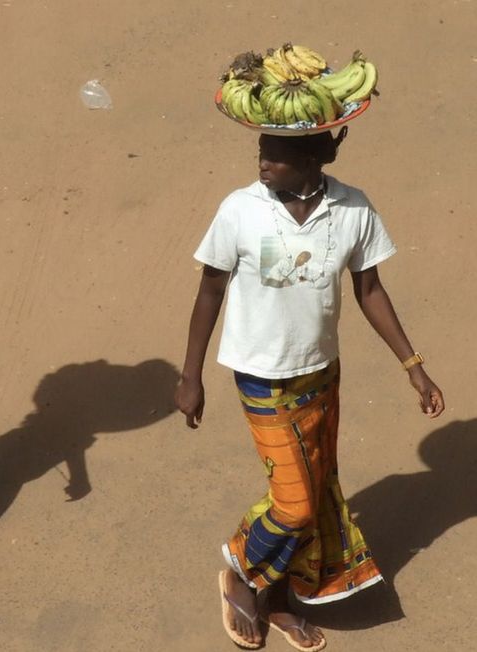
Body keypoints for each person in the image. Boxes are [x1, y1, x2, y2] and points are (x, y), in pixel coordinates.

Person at [174, 128, 444, 650]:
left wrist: (413, 366)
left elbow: (370, 289)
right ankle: (242, 572)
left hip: (320, 372)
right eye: (261, 153)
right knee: (294, 505)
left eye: (277, 156)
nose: (263, 164)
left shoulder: (352, 209)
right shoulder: (240, 209)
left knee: (315, 492)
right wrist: (191, 375)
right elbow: (210, 289)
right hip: (260, 374)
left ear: (314, 159)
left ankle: (278, 601)